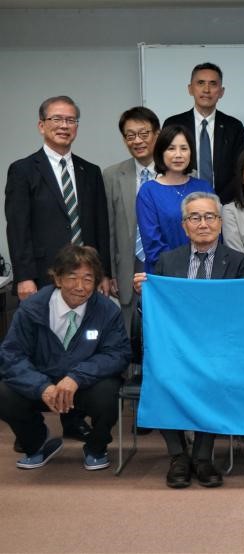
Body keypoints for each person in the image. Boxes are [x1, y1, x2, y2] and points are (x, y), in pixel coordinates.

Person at [5, 95, 111, 444]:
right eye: (57, 119)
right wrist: (24, 277)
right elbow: (17, 227)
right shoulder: (23, 170)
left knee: (79, 343)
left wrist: (104, 273)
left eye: (71, 120)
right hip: (44, 276)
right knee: (47, 344)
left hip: (85, 278)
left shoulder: (90, 171)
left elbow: (100, 226)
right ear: (42, 125)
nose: (64, 126)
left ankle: (73, 419)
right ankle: (33, 419)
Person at [133, 192, 244, 488]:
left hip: (218, 350)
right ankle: (178, 456)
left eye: (209, 217)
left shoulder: (238, 262)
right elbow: (155, 313)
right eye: (194, 218)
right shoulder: (167, 261)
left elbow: (241, 313)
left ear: (220, 223)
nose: (203, 224)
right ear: (184, 226)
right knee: (161, 378)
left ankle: (202, 456)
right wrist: (144, 295)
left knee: (213, 378)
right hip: (175, 350)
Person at [0, 245, 131, 471]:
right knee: (4, 393)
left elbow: (118, 354)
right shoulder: (31, 308)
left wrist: (76, 377)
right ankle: (37, 443)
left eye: (88, 279)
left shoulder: (107, 311)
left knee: (109, 393)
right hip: (42, 384)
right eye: (72, 278)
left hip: (84, 384)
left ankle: (96, 447)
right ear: (58, 279)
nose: (80, 287)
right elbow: (11, 355)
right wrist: (41, 386)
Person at [103, 106, 161, 331]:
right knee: (131, 335)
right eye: (130, 135)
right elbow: (108, 229)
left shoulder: (177, 173)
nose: (137, 140)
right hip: (127, 268)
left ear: (157, 134)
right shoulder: (111, 175)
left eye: (144, 134)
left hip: (165, 265)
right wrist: (109, 273)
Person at [163, 62, 244, 203]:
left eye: (213, 84)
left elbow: (240, 170)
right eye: (200, 83)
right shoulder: (173, 124)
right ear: (190, 89)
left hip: (224, 205)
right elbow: (166, 166)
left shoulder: (234, 127)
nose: (206, 90)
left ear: (221, 91)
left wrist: (217, 203)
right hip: (180, 202)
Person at [136, 124, 215, 274]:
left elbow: (216, 233)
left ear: (191, 152)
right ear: (161, 152)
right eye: (171, 148)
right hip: (165, 274)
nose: (178, 155)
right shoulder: (148, 191)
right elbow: (153, 244)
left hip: (205, 272)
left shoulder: (204, 187)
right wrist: (184, 269)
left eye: (184, 148)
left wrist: (201, 267)